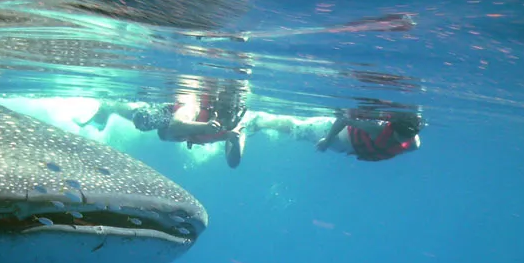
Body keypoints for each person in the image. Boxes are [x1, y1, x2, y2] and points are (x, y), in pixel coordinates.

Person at [78, 80, 249, 168]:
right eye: (224, 106)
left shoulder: (238, 126)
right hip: (170, 120)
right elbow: (175, 125)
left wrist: (233, 140)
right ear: (216, 102)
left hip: (183, 135)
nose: (227, 113)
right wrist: (204, 127)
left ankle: (109, 109)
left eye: (232, 109)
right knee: (144, 119)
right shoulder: (195, 106)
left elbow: (233, 163)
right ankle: (111, 106)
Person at [244, 107, 423, 162]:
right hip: (330, 133)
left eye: (407, 138)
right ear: (393, 128)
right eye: (400, 136)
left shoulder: (414, 144)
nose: (404, 140)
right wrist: (327, 140)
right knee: (296, 128)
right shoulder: (377, 129)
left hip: (342, 146)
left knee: (297, 129)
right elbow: (344, 119)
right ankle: (258, 121)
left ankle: (260, 121)